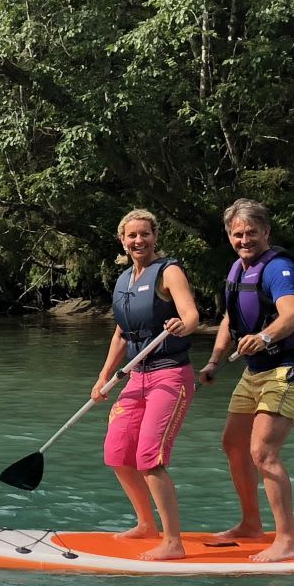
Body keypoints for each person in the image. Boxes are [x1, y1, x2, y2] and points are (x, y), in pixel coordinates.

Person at [199, 198, 294, 563]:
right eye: (238, 234)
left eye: (252, 232)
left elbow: (292, 316)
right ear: (229, 236)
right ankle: (251, 524)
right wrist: (215, 360)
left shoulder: (278, 269)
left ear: (266, 232)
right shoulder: (236, 270)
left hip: (288, 368)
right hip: (255, 371)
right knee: (233, 445)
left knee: (262, 453)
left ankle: (287, 540)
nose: (245, 239)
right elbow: (228, 321)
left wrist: (265, 337)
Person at [93, 209, 203, 560]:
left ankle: (174, 541)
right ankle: (146, 524)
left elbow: (192, 316)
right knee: (117, 451)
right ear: (122, 240)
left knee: (149, 457)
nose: (138, 241)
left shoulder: (168, 272)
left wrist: (180, 325)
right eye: (131, 236)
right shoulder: (123, 280)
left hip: (170, 375)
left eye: (145, 234)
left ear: (155, 236)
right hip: (136, 376)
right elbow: (122, 334)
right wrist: (104, 376)